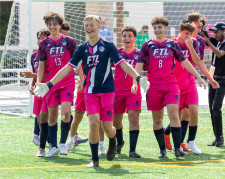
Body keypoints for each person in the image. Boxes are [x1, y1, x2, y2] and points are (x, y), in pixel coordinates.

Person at [34, 15, 147, 167]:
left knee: (107, 128)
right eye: (86, 25)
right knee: (93, 123)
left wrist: (138, 79)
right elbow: (67, 68)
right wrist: (48, 84)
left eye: (92, 24)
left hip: (107, 91)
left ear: (99, 25)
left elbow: (123, 64)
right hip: (90, 91)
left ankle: (113, 139)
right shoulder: (81, 49)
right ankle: (94, 159)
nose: (89, 28)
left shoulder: (108, 46)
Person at [132, 16, 206, 158]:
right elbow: (139, 64)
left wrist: (198, 77)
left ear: (166, 28)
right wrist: (135, 81)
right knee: (157, 120)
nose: (157, 30)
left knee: (174, 115)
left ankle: (178, 148)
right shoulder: (147, 45)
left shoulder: (172, 44)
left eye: (160, 27)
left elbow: (185, 62)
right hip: (153, 86)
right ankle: (162, 149)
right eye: (155, 28)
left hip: (171, 86)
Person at [164, 20, 219, 154]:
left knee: (193, 111)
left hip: (190, 84)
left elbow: (198, 62)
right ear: (179, 31)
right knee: (177, 117)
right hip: (175, 85)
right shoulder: (171, 44)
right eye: (185, 33)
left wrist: (210, 79)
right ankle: (168, 134)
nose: (188, 36)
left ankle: (190, 141)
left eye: (190, 33)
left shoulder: (193, 42)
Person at [36, 12, 78, 158]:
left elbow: (77, 61)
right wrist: (38, 82)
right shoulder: (44, 44)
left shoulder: (70, 41)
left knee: (66, 113)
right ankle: (52, 147)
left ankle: (62, 144)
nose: (52, 26)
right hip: (50, 84)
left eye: (55, 24)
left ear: (60, 25)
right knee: (52, 117)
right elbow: (41, 66)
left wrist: (83, 78)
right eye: (50, 24)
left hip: (67, 82)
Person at [113, 26, 141, 158]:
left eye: (130, 36)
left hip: (133, 91)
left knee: (133, 118)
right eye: (124, 36)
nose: (127, 38)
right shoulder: (116, 53)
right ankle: (119, 142)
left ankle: (132, 150)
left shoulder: (140, 54)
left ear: (134, 38)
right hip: (117, 90)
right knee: (116, 121)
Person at [22, 29, 50, 148]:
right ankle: (47, 142)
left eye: (44, 38)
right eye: (39, 38)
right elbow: (36, 73)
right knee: (39, 118)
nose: (41, 40)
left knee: (47, 118)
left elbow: (48, 75)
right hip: (38, 90)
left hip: (48, 89)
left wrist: (31, 76)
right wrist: (31, 85)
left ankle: (52, 143)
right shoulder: (34, 56)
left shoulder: (50, 55)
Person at [203, 22, 225, 147]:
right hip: (213, 79)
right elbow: (204, 36)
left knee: (216, 107)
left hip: (222, 80)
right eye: (214, 32)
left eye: (217, 32)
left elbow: (219, 53)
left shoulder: (221, 44)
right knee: (212, 108)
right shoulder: (216, 41)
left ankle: (220, 138)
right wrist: (201, 27)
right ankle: (217, 138)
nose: (214, 34)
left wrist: (208, 41)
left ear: (224, 31)